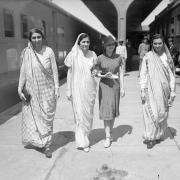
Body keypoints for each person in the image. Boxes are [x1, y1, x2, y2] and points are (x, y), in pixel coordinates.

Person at [18, 28, 60, 158]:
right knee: (35, 118)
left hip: (47, 90)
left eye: (39, 37)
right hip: (32, 91)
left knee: (47, 118)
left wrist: (57, 88)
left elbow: (55, 70)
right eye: (34, 38)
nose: (37, 40)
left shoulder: (49, 51)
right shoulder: (27, 53)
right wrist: (20, 88)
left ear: (43, 37)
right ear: (30, 40)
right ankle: (45, 145)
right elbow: (23, 72)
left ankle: (46, 143)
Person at [139, 34, 176, 149]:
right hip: (150, 90)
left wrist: (173, 90)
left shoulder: (167, 57)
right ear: (152, 44)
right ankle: (151, 137)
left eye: (159, 43)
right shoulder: (148, 56)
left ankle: (158, 134)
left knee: (161, 113)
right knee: (151, 114)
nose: (157, 45)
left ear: (163, 43)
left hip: (164, 91)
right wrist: (142, 90)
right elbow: (143, 74)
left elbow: (171, 75)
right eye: (155, 43)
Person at [65, 33, 97, 153]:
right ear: (79, 43)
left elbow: (94, 69)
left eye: (87, 42)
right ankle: (82, 142)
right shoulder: (73, 54)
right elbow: (69, 72)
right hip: (77, 88)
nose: (86, 44)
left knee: (88, 114)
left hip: (89, 89)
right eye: (83, 42)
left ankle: (86, 136)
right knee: (79, 114)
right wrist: (68, 90)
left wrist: (95, 71)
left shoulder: (93, 54)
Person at [95, 35, 125, 148]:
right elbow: (95, 73)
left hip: (115, 86)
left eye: (112, 44)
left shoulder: (118, 57)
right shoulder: (99, 58)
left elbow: (121, 73)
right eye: (108, 45)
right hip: (104, 86)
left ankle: (111, 132)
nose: (111, 46)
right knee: (106, 111)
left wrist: (123, 88)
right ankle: (107, 137)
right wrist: (102, 74)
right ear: (104, 46)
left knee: (112, 111)